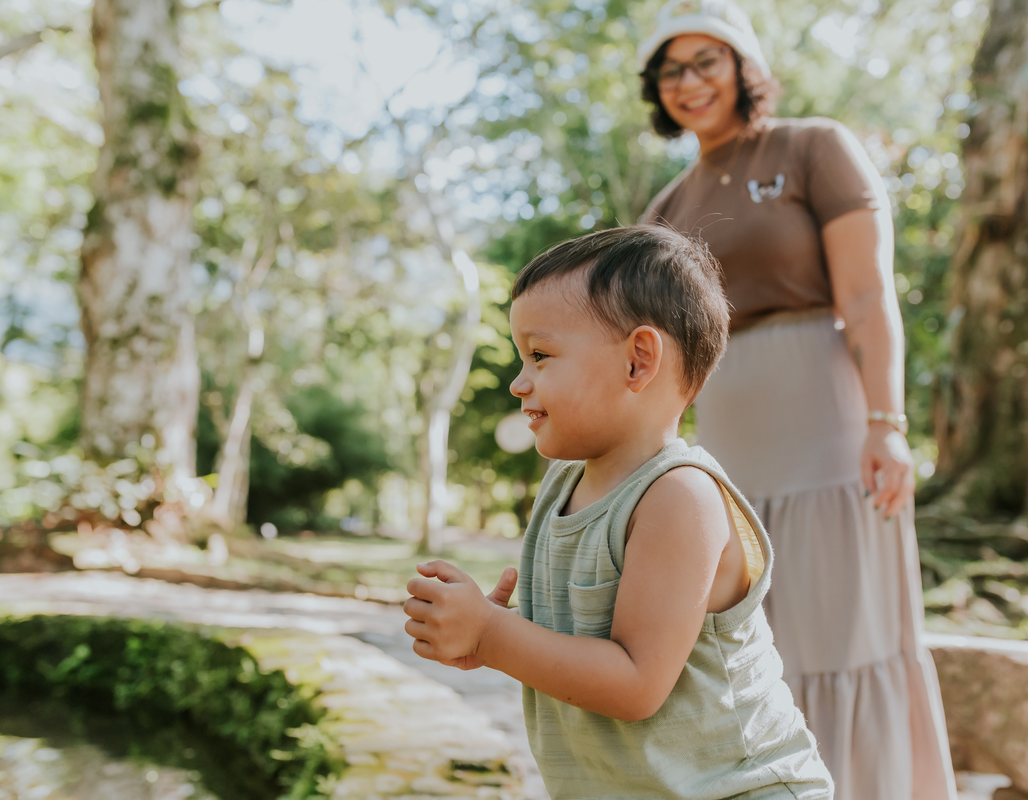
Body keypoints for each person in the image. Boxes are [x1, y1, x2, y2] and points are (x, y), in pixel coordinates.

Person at [636, 2, 957, 799]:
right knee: (754, 640)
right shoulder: (664, 210)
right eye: (671, 70)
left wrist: (887, 423)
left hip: (828, 422)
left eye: (707, 60)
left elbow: (868, 295)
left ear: (744, 66)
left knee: (844, 630)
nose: (690, 81)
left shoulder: (815, 147)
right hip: (725, 442)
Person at [403, 225, 833, 800]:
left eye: (539, 355)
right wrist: (487, 637)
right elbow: (579, 651)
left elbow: (635, 683)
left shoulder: (681, 496)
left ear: (638, 361)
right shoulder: (564, 485)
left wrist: (491, 634)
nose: (518, 381)